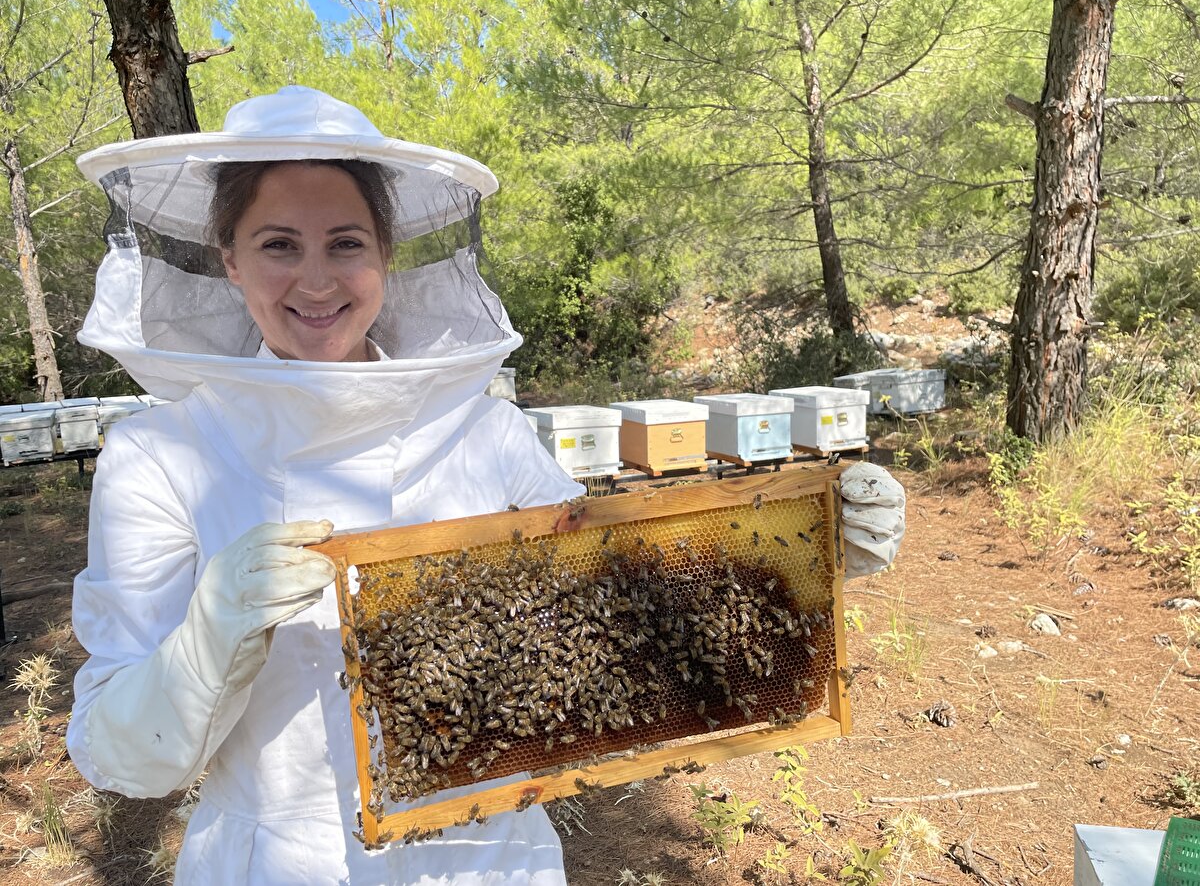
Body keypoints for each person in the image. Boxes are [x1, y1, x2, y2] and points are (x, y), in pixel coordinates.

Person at [67, 86, 904, 885]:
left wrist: (795, 559)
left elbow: (626, 602)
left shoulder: (483, 430)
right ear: (230, 262)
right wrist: (206, 639)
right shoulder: (161, 456)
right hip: (278, 862)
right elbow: (121, 755)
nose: (316, 280)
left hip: (486, 856)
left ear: (385, 257)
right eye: (279, 244)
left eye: (346, 243)